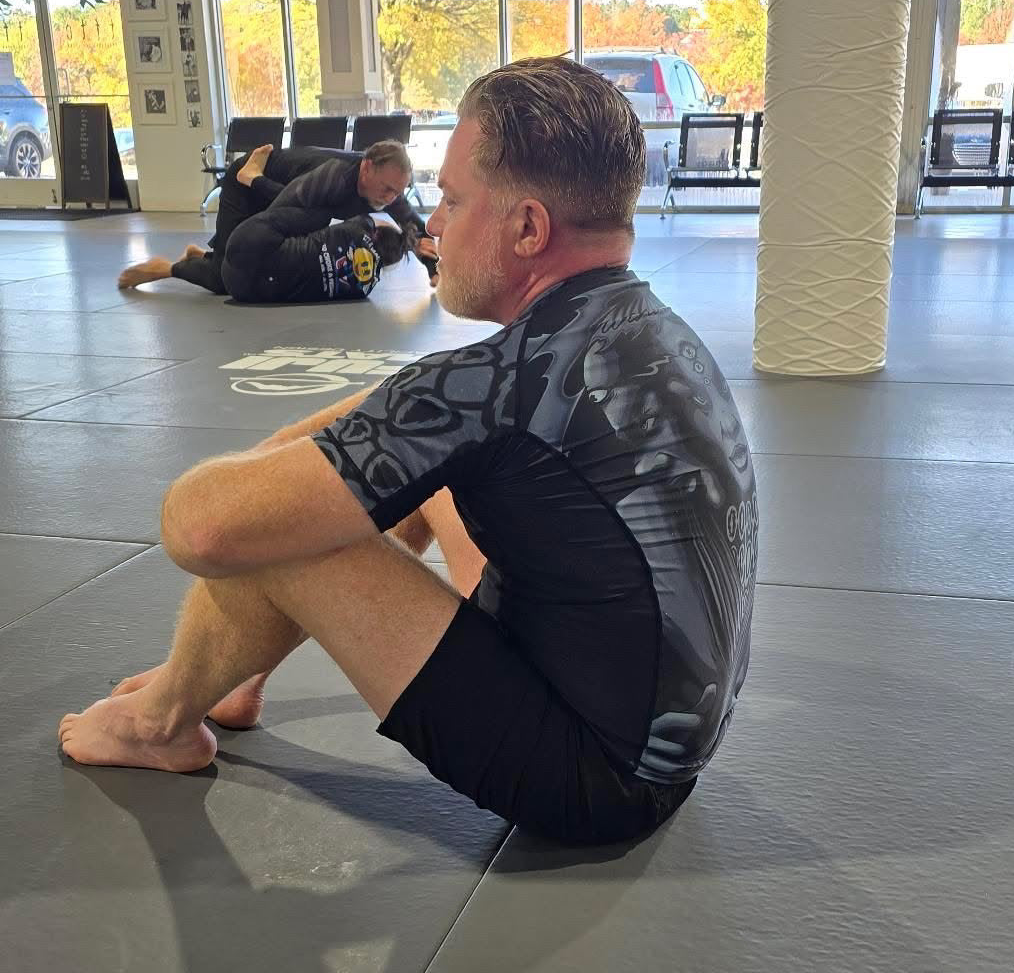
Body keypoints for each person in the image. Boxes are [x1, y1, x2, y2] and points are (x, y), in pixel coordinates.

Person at [60, 56, 758, 847]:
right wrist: (396, 405)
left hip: (596, 782)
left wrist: (367, 423)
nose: (434, 229)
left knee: (281, 530)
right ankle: (231, 672)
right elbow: (455, 421)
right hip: (659, 732)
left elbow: (200, 527)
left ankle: (158, 723)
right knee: (401, 478)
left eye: (453, 202)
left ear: (528, 229)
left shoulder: (489, 386)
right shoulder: (651, 329)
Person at [117, 140, 439, 294]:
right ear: (366, 167)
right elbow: (279, 213)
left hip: (284, 195)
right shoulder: (332, 178)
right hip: (248, 186)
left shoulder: (384, 189)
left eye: (398, 192)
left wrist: (432, 269)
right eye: (387, 189)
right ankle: (166, 268)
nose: (390, 198)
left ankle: (204, 256)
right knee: (225, 280)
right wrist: (254, 179)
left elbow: (412, 224)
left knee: (244, 263)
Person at [219, 208, 416, 304]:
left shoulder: (358, 229)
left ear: (377, 233)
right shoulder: (365, 289)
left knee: (319, 214)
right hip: (244, 290)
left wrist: (394, 230)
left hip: (248, 243)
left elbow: (370, 214)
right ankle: (202, 260)